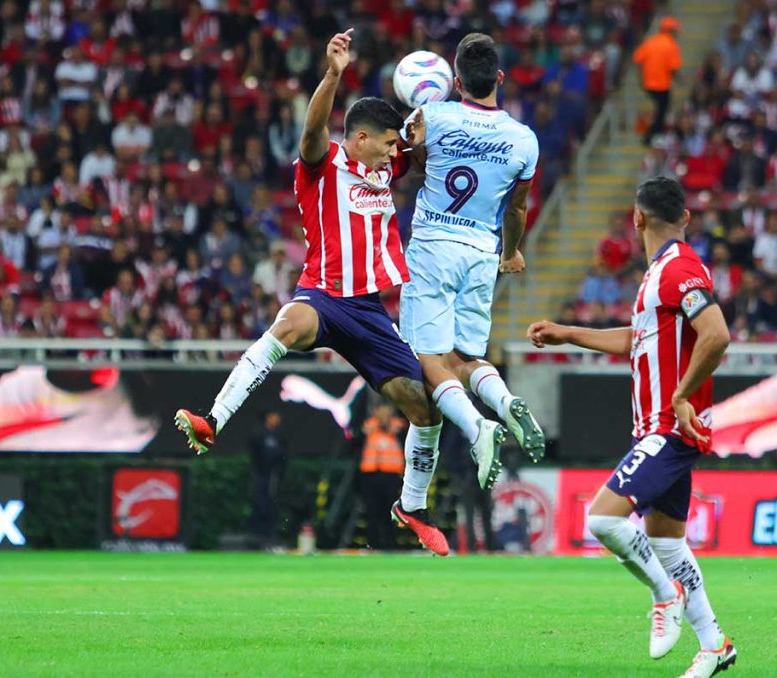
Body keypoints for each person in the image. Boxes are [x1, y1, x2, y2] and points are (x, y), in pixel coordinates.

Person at [174, 30, 449, 557]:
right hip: (322, 294)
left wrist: (430, 108)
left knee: (425, 409)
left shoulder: (385, 166)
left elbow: (419, 150)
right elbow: (312, 130)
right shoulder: (321, 164)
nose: (396, 152)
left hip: (368, 310)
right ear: (361, 138)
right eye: (388, 142)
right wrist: (332, 75)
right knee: (288, 326)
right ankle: (213, 420)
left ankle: (412, 507)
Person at [526, 177, 736, 677]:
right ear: (684, 217)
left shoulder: (678, 270)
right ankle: (714, 644)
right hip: (659, 426)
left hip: (670, 425)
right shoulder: (661, 274)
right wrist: (568, 333)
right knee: (665, 542)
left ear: (636, 219)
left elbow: (717, 335)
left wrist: (682, 395)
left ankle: (667, 595)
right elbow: (636, 340)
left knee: (602, 519)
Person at [397, 33, 545, 517]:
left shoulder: (433, 117)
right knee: (464, 357)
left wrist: (416, 125)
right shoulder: (524, 139)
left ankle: (479, 426)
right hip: (483, 252)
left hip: (434, 245)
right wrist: (513, 253)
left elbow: (404, 161)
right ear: (499, 78)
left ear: (455, 81)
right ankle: (504, 403)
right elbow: (518, 207)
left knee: (427, 358)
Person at [359, 403, 406, 551]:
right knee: (372, 511)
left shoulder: (398, 426)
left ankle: (390, 544)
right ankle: (373, 544)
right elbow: (357, 437)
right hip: (371, 473)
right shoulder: (370, 426)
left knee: (390, 512)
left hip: (391, 474)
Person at [633, 17, 683, 145]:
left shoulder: (651, 41)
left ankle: (648, 135)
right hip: (662, 86)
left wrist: (641, 79)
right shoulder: (670, 44)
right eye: (675, 30)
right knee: (661, 113)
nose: (676, 33)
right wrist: (681, 81)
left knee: (655, 111)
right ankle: (651, 137)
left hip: (648, 85)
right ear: (669, 30)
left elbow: (638, 59)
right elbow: (674, 68)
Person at [249, 411, 287, 549]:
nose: (277, 419)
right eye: (274, 416)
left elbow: (283, 455)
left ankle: (272, 537)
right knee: (261, 504)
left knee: (272, 505)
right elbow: (255, 454)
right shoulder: (259, 434)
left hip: (274, 477)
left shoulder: (279, 435)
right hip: (261, 475)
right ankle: (259, 537)